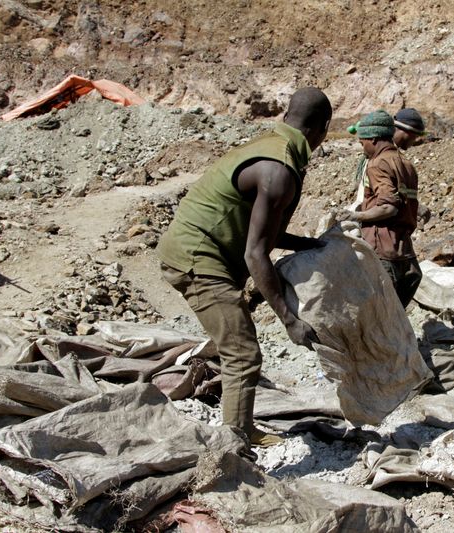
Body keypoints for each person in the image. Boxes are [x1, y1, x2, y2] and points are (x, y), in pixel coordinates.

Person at [156, 87, 332, 447]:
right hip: (198, 258)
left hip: (198, 249)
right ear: (322, 129)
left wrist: (308, 244)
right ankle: (233, 446)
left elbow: (266, 233)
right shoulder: (279, 170)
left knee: (236, 346)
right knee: (242, 352)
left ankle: (240, 429)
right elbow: (256, 254)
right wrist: (290, 321)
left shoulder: (269, 148)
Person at [338, 110, 421, 308]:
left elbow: (388, 207)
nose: (362, 148)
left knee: (381, 307)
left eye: (362, 142)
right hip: (404, 248)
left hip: (382, 246)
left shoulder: (377, 164)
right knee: (397, 308)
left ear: (373, 139)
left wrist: (355, 215)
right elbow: (402, 201)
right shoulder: (406, 163)